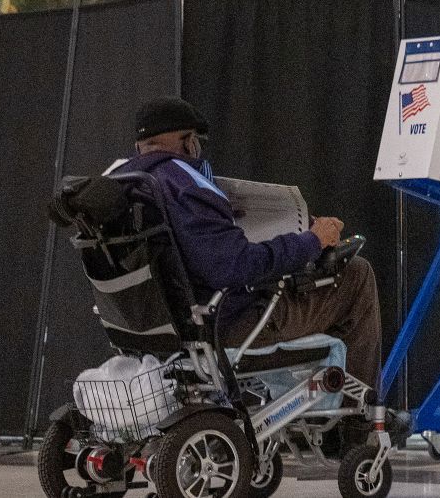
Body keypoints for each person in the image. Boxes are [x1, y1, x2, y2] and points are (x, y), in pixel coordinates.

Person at [112, 97, 384, 395]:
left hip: (154, 329)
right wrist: (312, 241)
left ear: (140, 146)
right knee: (356, 276)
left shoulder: (121, 182)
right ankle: (360, 422)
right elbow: (234, 267)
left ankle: (314, 408)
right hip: (226, 327)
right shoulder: (187, 184)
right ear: (190, 143)